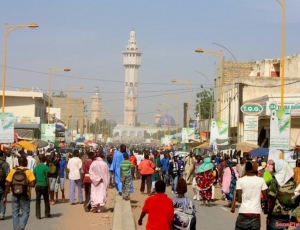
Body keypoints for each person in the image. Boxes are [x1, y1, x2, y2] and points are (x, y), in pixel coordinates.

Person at [3, 156, 36, 230]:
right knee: (25, 213)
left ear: (18, 162)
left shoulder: (13, 171)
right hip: (25, 194)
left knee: (15, 214)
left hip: (14, 194)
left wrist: (5, 196)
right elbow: (33, 184)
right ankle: (21, 226)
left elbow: (8, 184)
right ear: (25, 162)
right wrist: (25, 184)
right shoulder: (28, 171)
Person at [235, 161, 268, 230]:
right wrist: (257, 200)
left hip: (243, 212)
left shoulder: (240, 180)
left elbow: (239, 200)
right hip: (256, 213)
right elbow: (266, 198)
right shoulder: (261, 180)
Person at [267, 159, 296, 229]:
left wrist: (269, 215)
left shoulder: (275, 181)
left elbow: (272, 200)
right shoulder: (293, 182)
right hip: (287, 215)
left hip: (276, 215)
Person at [33, 154, 51, 219]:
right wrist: (49, 187)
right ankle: (47, 214)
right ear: (44, 159)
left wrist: (35, 184)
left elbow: (34, 177)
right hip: (44, 185)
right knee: (46, 200)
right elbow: (47, 178)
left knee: (38, 200)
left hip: (38, 185)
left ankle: (38, 215)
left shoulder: (36, 167)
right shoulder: (46, 167)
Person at [0, 150, 10, 220]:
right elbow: (8, 175)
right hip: (3, 184)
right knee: (3, 198)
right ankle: (2, 214)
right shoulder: (6, 164)